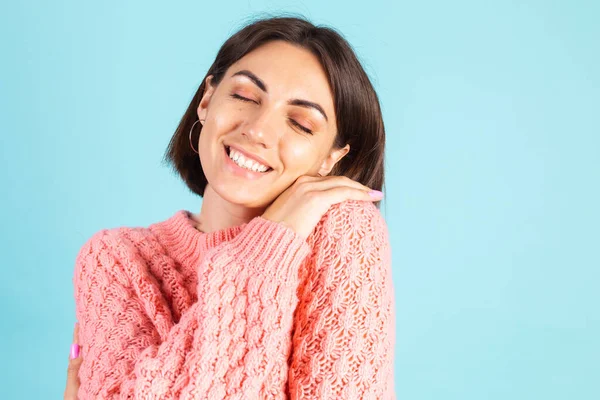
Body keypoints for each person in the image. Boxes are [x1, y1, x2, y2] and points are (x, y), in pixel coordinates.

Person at [64, 14, 396, 400]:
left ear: (331, 158)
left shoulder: (346, 229)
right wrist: (261, 253)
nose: (257, 130)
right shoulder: (116, 258)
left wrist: (268, 251)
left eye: (301, 124)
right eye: (245, 97)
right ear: (207, 100)